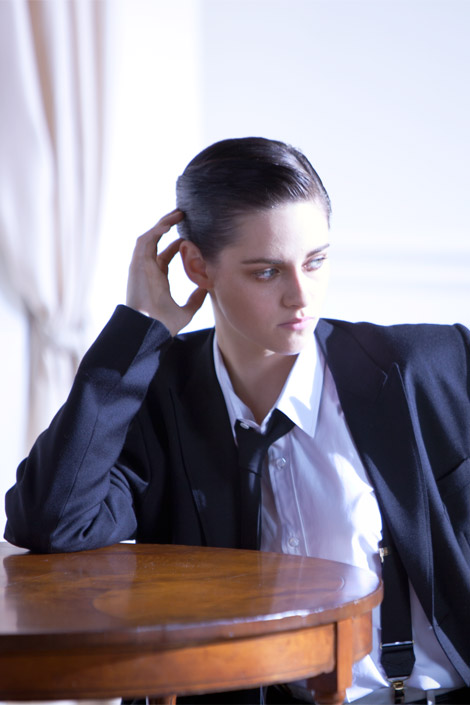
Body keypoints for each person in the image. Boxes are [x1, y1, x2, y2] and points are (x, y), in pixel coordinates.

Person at [4, 137, 470, 705]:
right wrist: (136, 328)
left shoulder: (431, 368)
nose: (301, 296)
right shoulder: (155, 392)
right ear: (197, 266)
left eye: (315, 261)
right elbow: (51, 522)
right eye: (267, 272)